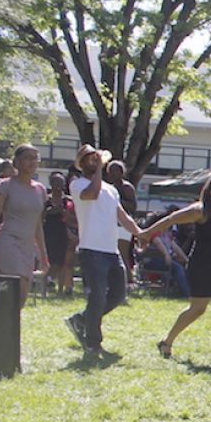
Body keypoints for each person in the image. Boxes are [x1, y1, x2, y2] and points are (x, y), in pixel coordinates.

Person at [138, 175, 211, 365]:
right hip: (201, 264)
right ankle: (166, 342)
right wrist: (147, 232)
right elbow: (170, 219)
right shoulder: (200, 211)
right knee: (198, 309)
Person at [66, 144, 142, 355]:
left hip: (111, 250)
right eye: (89, 159)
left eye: (96, 158)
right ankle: (93, 343)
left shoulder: (111, 190)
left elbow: (122, 216)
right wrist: (99, 170)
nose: (93, 161)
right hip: (91, 250)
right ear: (81, 164)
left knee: (117, 295)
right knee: (98, 296)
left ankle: (81, 320)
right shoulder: (77, 184)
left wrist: (139, 233)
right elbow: (92, 194)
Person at [0, 144, 48, 308]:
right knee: (15, 290)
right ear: (17, 162)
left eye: (36, 158)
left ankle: (5, 329)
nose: (32, 162)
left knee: (20, 299)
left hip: (27, 248)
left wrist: (43, 255)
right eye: (28, 158)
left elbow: (37, 225)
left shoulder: (40, 190)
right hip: (7, 242)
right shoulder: (5, 186)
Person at [104, 159, 139, 283]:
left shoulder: (127, 187)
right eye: (109, 172)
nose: (111, 174)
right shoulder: (109, 188)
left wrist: (117, 201)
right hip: (111, 224)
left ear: (121, 172)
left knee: (123, 254)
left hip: (123, 226)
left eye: (114, 171)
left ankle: (128, 282)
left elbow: (133, 206)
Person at [43, 172, 78, 295]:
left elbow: (75, 217)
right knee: (52, 262)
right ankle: (47, 282)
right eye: (55, 182)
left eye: (61, 182)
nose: (58, 185)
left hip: (65, 233)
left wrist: (64, 213)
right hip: (49, 233)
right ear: (51, 183)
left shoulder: (68, 200)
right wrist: (50, 211)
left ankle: (61, 290)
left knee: (64, 262)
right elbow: (40, 216)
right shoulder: (45, 199)